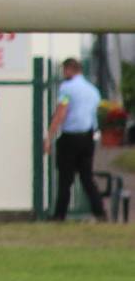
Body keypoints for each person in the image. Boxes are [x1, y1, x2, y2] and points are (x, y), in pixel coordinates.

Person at [45, 57, 106, 221]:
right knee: (86, 177)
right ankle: (100, 212)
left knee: (65, 178)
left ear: (69, 70)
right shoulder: (93, 90)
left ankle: (59, 215)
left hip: (70, 137)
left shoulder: (67, 88)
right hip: (88, 137)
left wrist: (49, 137)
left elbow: (61, 112)